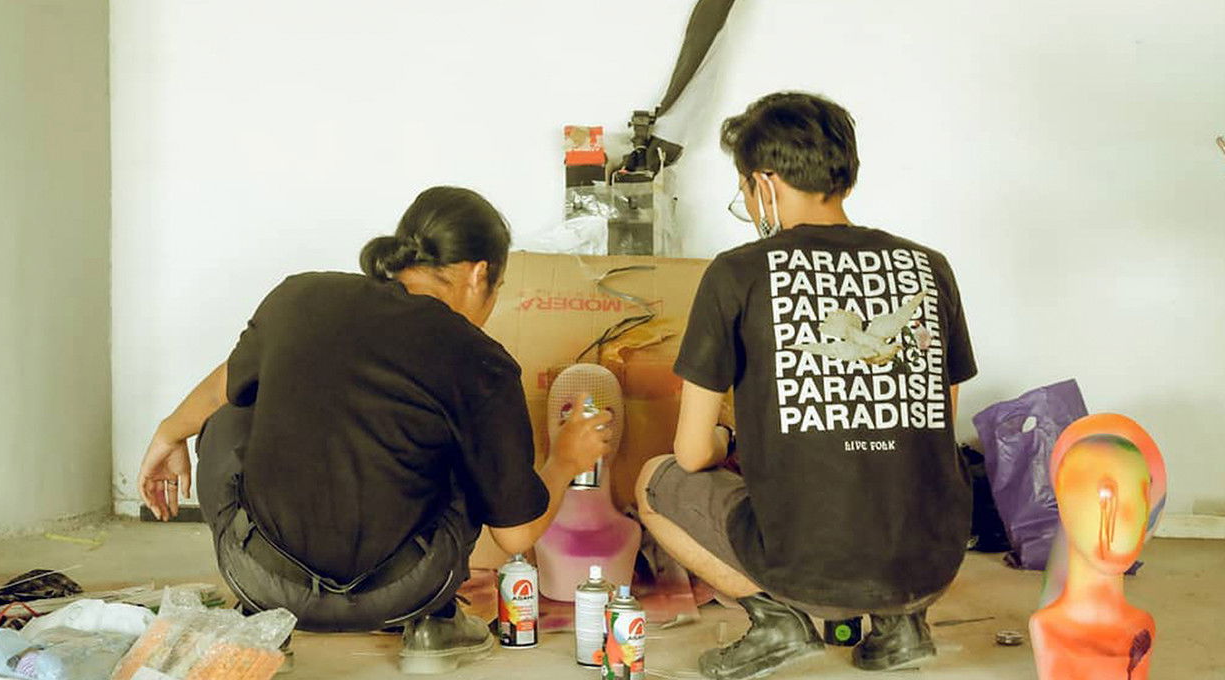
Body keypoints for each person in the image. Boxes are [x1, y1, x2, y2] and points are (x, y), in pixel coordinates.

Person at [135, 187, 612, 675]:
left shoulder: (299, 298)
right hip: (408, 589)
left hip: (261, 579)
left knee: (232, 412)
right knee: (462, 442)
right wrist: (565, 460)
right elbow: (516, 536)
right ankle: (434, 627)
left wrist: (169, 435)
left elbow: (224, 384)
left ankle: (262, 625)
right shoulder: (479, 359)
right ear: (479, 274)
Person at [635, 92, 978, 679]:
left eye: (745, 189)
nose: (749, 204)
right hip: (929, 562)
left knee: (655, 480)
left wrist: (727, 441)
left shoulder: (738, 273)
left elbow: (691, 452)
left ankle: (778, 623)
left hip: (809, 569)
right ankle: (901, 627)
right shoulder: (930, 267)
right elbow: (936, 429)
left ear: (765, 184)